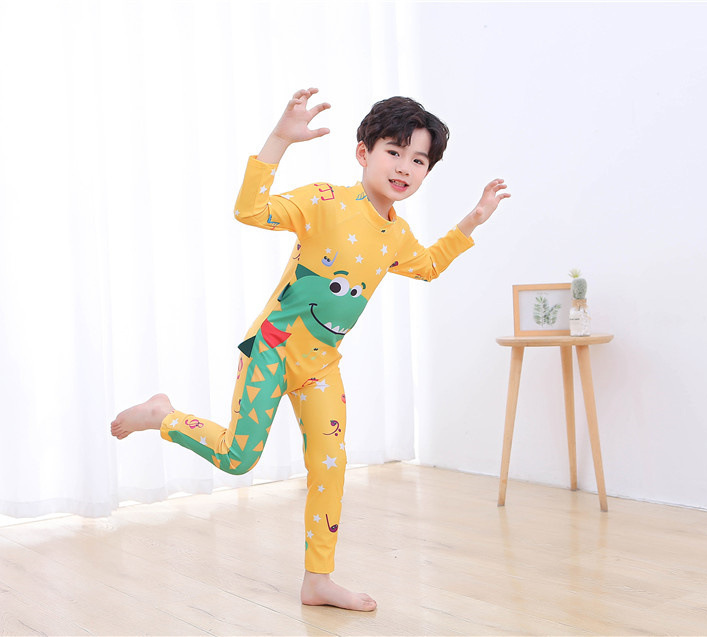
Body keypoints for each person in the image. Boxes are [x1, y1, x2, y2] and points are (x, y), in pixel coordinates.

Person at [111, 88, 510, 612]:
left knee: (330, 465)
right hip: (271, 352)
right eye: (394, 151)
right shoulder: (325, 201)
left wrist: (472, 221)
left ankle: (318, 579)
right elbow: (250, 210)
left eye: (419, 160)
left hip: (321, 366)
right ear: (364, 152)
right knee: (238, 458)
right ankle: (162, 415)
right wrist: (279, 139)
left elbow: (429, 266)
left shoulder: (396, 234)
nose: (405, 167)